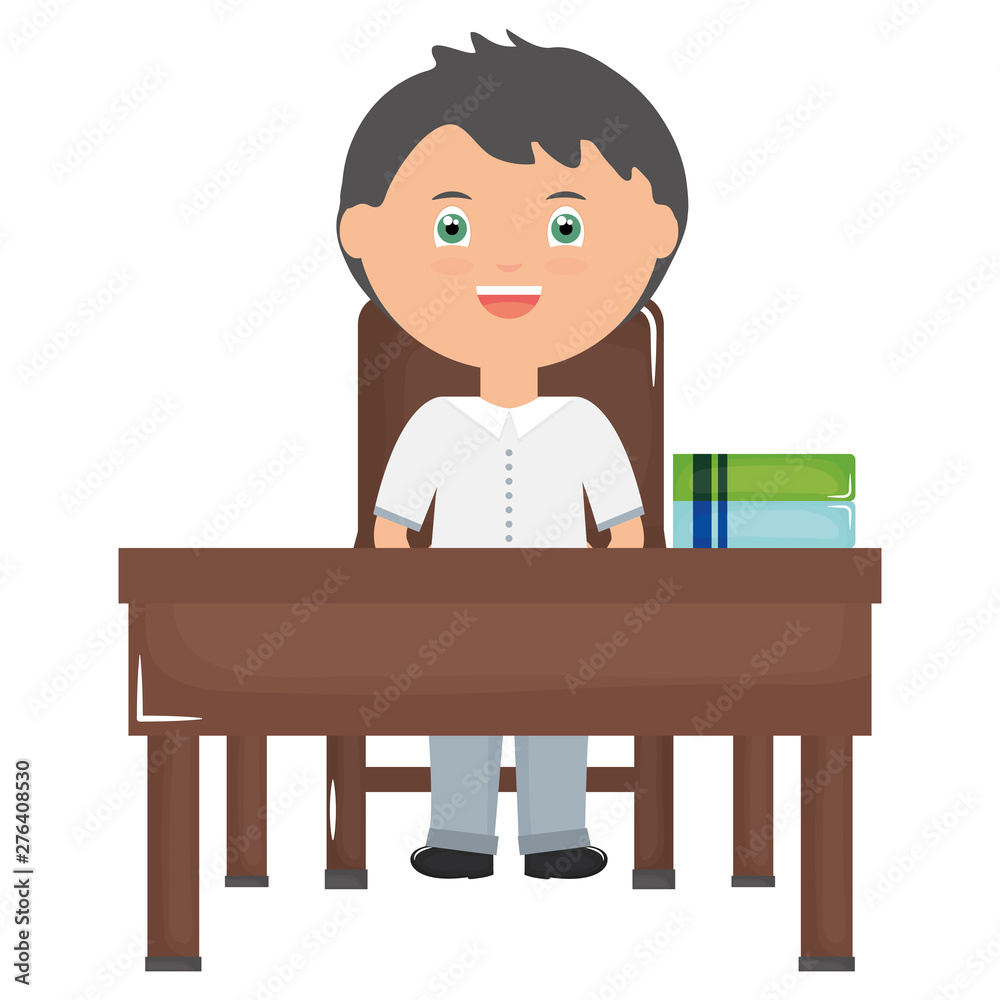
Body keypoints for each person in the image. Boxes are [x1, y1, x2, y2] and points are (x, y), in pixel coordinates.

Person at [337, 30, 687, 879]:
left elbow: (627, 530)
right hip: (445, 612)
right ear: (366, 235)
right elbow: (391, 528)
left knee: (556, 706)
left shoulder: (586, 421)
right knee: (457, 705)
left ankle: (554, 834)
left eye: (565, 224)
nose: (507, 261)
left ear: (651, 234)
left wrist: (612, 609)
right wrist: (404, 603)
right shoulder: (429, 420)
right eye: (451, 224)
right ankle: (458, 836)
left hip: (565, 614)